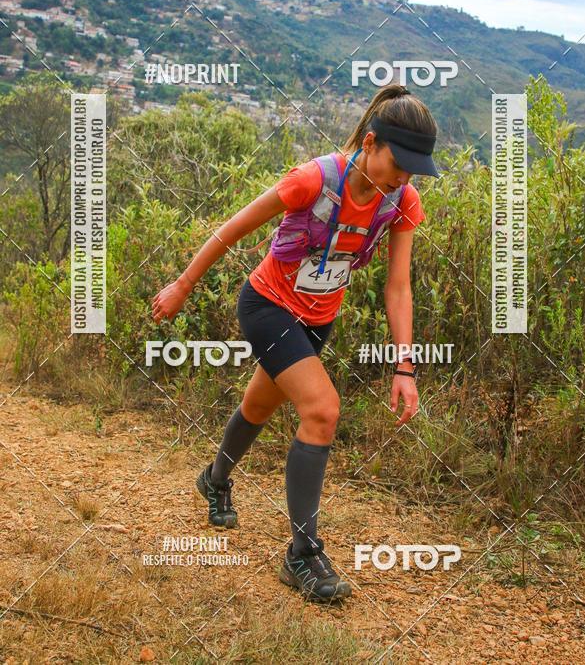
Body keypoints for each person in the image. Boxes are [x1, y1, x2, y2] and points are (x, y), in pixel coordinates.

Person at [151, 84, 440, 602]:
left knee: (259, 405)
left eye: (415, 168)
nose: (406, 176)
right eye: (400, 162)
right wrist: (183, 286)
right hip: (266, 306)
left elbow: (399, 288)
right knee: (322, 410)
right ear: (370, 142)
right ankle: (302, 554)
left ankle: (215, 479)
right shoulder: (313, 180)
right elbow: (231, 230)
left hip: (318, 317)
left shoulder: (403, 202)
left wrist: (405, 366)